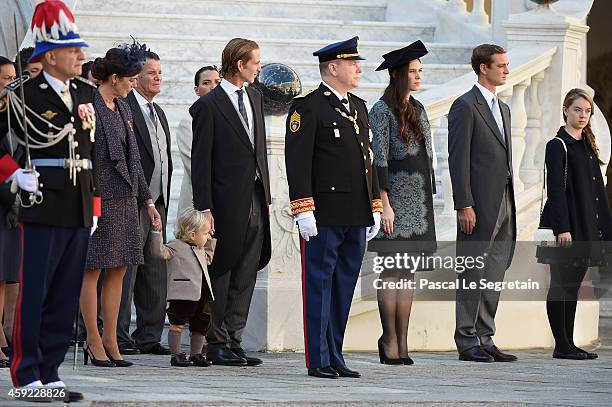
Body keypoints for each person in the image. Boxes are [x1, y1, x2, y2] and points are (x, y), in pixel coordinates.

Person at [0, 0, 97, 401]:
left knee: (64, 291)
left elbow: (92, 158)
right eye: (73, 49)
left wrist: (94, 208)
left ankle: (50, 370)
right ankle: (26, 376)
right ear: (50, 55)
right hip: (41, 201)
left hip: (77, 202)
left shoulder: (86, 93)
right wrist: (14, 173)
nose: (80, 55)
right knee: (36, 290)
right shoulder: (23, 95)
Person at [285, 36, 382, 379]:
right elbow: (298, 163)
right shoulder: (307, 107)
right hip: (323, 213)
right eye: (353, 63)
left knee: (344, 286)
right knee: (319, 285)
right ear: (332, 68)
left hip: (355, 213)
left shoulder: (357, 105)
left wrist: (374, 205)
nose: (358, 68)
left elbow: (366, 159)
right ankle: (318, 358)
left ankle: (336, 354)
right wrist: (303, 208)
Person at [191, 38, 271, 367]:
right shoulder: (208, 107)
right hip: (223, 204)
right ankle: (214, 340)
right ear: (239, 65)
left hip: (255, 197)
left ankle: (234, 338)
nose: (259, 67)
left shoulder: (254, 96)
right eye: (256, 62)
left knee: (247, 269)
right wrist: (205, 207)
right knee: (221, 270)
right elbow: (201, 162)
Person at [81, 42, 161, 369]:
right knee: (92, 269)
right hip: (99, 199)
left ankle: (112, 338)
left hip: (127, 200)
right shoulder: (90, 104)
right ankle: (92, 338)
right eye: (130, 79)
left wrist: (148, 200)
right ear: (114, 78)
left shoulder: (125, 106)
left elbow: (135, 161)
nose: (133, 84)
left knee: (120, 269)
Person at [448, 43, 517, 363]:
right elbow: (457, 158)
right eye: (500, 65)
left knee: (494, 269)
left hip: (505, 200)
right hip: (477, 205)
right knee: (473, 270)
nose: (506, 70)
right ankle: (466, 339)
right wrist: (464, 203)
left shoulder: (503, 108)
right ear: (482, 68)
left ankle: (485, 336)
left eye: (506, 64)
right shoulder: (464, 106)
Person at [368, 40, 436, 365]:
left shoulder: (419, 108)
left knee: (408, 274)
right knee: (391, 272)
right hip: (393, 199)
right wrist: (383, 203)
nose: (418, 76)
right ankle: (389, 339)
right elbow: (378, 158)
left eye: (420, 71)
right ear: (397, 75)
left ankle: (403, 342)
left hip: (418, 203)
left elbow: (428, 154)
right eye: (412, 71)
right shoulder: (380, 110)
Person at [540, 88, 612, 360]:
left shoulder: (588, 145)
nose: (583, 115)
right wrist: (562, 229)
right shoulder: (557, 145)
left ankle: (569, 343)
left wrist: (605, 230)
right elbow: (555, 192)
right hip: (566, 227)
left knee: (573, 285)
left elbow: (598, 194)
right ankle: (561, 345)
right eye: (577, 110)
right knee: (561, 284)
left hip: (585, 227)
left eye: (587, 111)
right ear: (566, 111)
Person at [119, 50, 173, 356]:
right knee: (127, 272)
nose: (158, 77)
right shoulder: (125, 108)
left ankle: (150, 335)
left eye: (160, 72)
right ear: (136, 78)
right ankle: (119, 335)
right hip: (133, 201)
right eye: (152, 73)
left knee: (155, 270)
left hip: (159, 203)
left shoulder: (159, 111)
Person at [2, 47, 43, 358]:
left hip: (22, 201)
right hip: (3, 197)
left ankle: (10, 333)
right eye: (6, 79)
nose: (11, 84)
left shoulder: (26, 110)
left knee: (15, 274)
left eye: (13, 78)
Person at [150, 207, 215, 367]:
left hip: (202, 292)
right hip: (182, 294)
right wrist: (157, 233)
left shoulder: (200, 249)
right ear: (192, 234)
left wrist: (211, 242)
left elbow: (209, 259)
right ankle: (176, 354)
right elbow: (158, 252)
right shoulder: (175, 246)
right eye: (205, 234)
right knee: (177, 323)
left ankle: (196, 354)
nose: (208, 236)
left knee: (201, 324)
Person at [177, 66, 221, 216]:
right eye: (206, 83)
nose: (213, 87)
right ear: (196, 90)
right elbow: (194, 162)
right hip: (197, 200)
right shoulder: (188, 121)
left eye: (217, 82)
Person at [0, 55, 17, 368]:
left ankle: (5, 337)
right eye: (5, 79)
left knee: (7, 276)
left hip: (11, 202)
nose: (11, 84)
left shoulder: (13, 111)